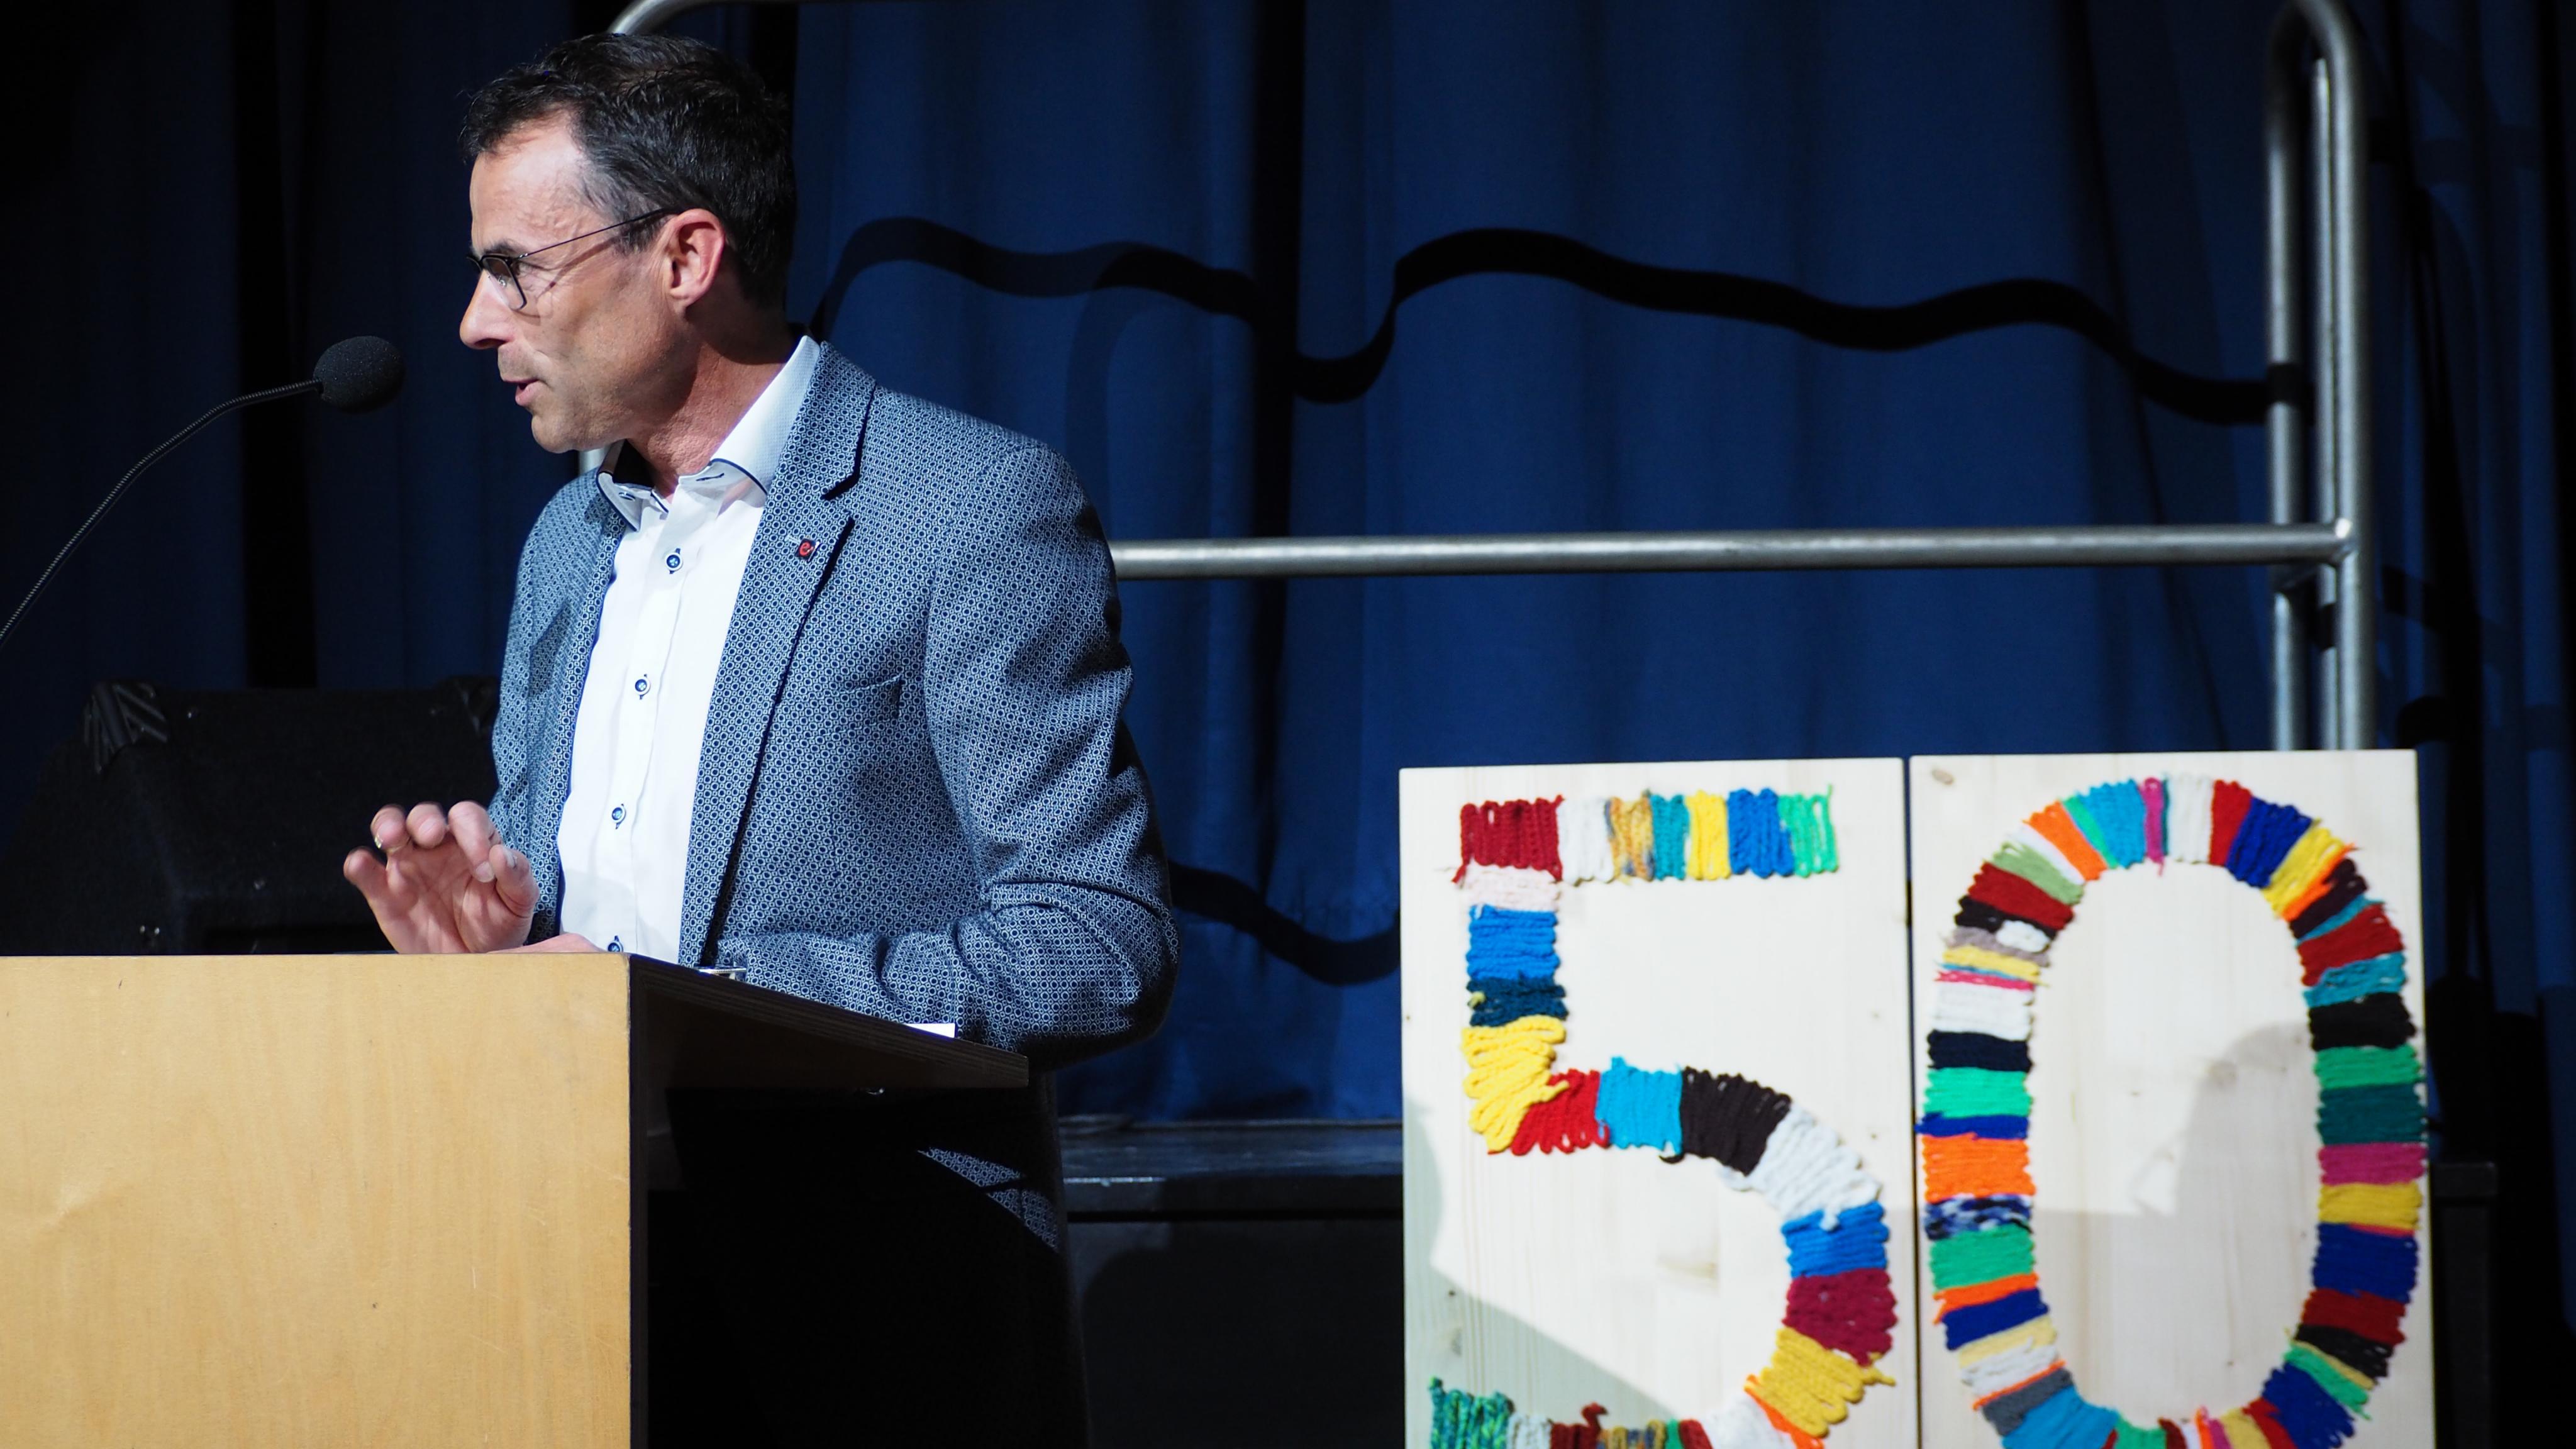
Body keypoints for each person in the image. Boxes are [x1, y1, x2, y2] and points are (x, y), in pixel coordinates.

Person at [341, 32, 1176, 1440]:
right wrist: (505, 946)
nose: (477, 322)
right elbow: (579, 936)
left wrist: (688, 1001)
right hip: (565, 1286)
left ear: (685, 256)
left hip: (875, 1307)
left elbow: (1097, 945)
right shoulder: (567, 543)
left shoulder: (966, 509)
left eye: (515, 269)